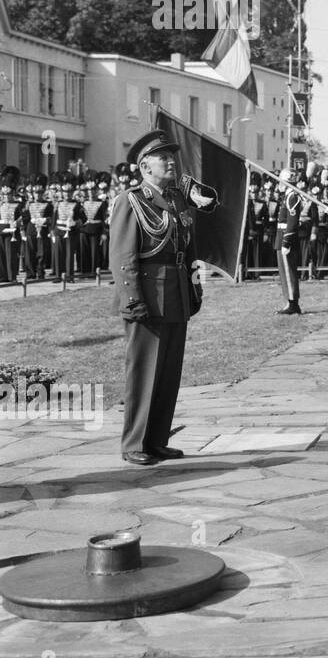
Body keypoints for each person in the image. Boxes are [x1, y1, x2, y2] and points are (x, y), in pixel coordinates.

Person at [111, 129, 218, 465]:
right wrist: (132, 300)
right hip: (148, 296)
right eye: (164, 158)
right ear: (145, 167)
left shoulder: (176, 200)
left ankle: (157, 439)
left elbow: (189, 250)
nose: (172, 162)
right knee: (144, 372)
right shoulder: (130, 201)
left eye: (173, 157)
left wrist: (194, 287)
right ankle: (134, 444)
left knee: (169, 372)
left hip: (175, 295)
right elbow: (122, 256)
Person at [273, 170, 305, 315]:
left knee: (288, 272)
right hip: (282, 236)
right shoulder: (287, 195)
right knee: (284, 272)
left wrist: (286, 242)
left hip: (287, 238)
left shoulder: (292, 197)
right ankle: (289, 302)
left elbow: (292, 222)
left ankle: (293, 303)